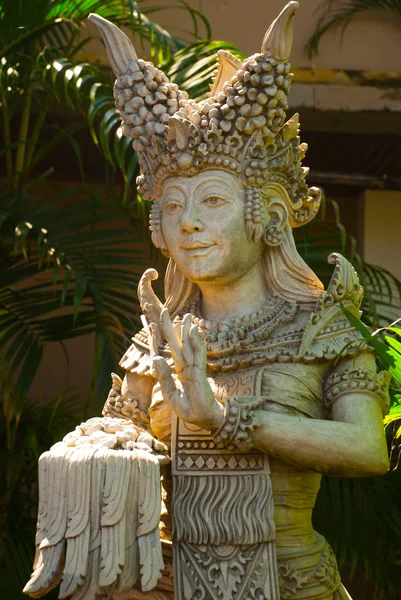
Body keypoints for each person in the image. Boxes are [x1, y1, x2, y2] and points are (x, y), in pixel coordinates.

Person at [24, 3, 390, 599]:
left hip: (290, 581)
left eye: (212, 201)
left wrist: (229, 420)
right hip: (164, 581)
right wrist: (100, 445)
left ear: (266, 213)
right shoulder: (156, 340)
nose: (188, 224)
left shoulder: (320, 327)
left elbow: (367, 448)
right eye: (173, 207)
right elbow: (123, 432)